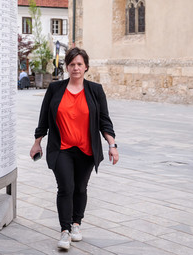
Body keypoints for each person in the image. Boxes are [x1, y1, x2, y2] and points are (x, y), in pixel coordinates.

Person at [30, 47, 119, 250]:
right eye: (72, 64)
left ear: (86, 66)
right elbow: (44, 118)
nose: (76, 68)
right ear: (67, 67)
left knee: (80, 188)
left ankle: (76, 224)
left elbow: (105, 121)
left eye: (79, 64)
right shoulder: (55, 89)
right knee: (65, 188)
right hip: (61, 148)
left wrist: (112, 145)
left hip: (87, 150)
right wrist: (37, 142)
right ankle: (65, 230)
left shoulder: (95, 90)